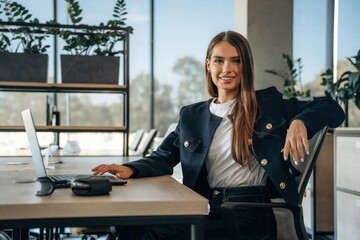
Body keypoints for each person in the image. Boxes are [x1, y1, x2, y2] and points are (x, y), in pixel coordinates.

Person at [92, 31, 345, 240]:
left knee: (153, 234)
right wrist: (130, 169)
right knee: (127, 226)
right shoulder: (192, 115)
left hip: (251, 213)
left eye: (236, 60)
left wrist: (300, 120)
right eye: (219, 60)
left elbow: (331, 107)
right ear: (208, 65)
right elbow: (164, 156)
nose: (227, 68)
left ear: (246, 65)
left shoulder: (267, 105)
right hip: (205, 206)